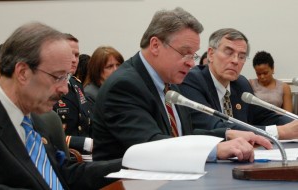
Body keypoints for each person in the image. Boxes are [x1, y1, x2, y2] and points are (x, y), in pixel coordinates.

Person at [92, 7, 272, 162]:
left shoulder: (171, 83)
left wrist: (226, 135)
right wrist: (215, 150)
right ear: (155, 45)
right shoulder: (125, 86)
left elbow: (183, 134)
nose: (191, 63)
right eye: (185, 53)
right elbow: (151, 145)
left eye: (193, 55)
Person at [0, 22, 121, 190]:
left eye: (67, 77)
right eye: (57, 77)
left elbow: (64, 173)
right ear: (22, 73)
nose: (64, 89)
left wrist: (130, 165)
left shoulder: (36, 119)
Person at [179, 28, 298, 140]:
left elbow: (266, 117)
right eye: (228, 53)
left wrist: (293, 123)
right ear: (211, 54)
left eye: (242, 56)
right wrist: (279, 132)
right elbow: (215, 127)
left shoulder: (241, 84)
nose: (235, 61)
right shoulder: (193, 80)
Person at [53, 34, 93, 154]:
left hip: (85, 156)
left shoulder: (76, 85)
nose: (74, 60)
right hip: (64, 156)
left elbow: (87, 121)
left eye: (76, 55)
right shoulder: (49, 87)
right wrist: (86, 143)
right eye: (70, 55)